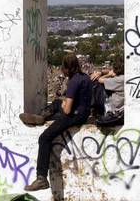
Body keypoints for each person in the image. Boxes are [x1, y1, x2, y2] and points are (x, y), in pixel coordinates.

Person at [20, 53, 92, 191]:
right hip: (83, 114)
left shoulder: (74, 82)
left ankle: (41, 178)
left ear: (66, 68)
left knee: (44, 138)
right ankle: (41, 117)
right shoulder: (85, 78)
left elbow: (67, 111)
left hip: (73, 116)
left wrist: (65, 104)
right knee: (57, 103)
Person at [90, 54, 124, 125]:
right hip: (119, 107)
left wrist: (108, 74)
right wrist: (103, 72)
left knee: (97, 85)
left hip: (116, 111)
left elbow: (99, 80)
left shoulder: (119, 80)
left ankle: (94, 110)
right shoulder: (123, 77)